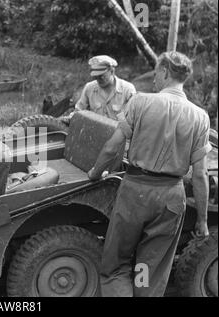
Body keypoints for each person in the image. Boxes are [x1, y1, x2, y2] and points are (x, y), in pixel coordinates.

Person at [87, 51, 211, 297]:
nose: (154, 79)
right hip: (171, 200)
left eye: (156, 74)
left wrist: (95, 173)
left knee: (116, 264)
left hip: (135, 193)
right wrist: (203, 220)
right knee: (148, 266)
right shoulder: (200, 117)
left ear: (164, 72)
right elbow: (200, 174)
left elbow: (113, 147)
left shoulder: (141, 101)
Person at [74, 55, 136, 121]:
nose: (98, 79)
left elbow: (135, 117)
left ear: (112, 71)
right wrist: (70, 118)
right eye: (95, 76)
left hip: (120, 130)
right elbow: (79, 110)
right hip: (95, 129)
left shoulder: (127, 89)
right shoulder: (89, 88)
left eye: (101, 76)